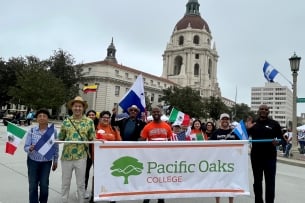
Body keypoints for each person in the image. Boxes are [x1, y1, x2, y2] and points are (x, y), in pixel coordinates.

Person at [58, 96, 95, 203]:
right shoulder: (66, 121)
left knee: (81, 183)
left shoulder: (89, 122)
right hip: (66, 156)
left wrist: (100, 141)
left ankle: (81, 201)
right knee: (65, 182)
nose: (77, 108)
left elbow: (92, 138)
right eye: (75, 106)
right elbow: (61, 137)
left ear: (83, 108)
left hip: (81, 156)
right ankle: (64, 201)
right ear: (72, 108)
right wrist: (51, 139)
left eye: (80, 106)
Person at [246, 104, 282, 203]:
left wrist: (278, 142)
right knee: (257, 182)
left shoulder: (274, 124)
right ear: (258, 111)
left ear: (268, 112)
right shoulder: (253, 123)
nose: (264, 110)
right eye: (261, 109)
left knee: (270, 183)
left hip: (270, 158)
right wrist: (247, 128)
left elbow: (281, 139)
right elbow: (243, 138)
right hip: (256, 158)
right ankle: (258, 201)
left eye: (266, 109)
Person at [24, 108, 59, 203]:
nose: (42, 118)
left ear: (48, 118)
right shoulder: (32, 130)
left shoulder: (53, 131)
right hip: (33, 161)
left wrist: (55, 161)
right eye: (40, 116)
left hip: (46, 162)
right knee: (32, 185)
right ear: (36, 119)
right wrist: (29, 148)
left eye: (44, 116)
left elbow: (56, 147)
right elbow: (26, 147)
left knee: (44, 185)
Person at [140, 107, 173, 203]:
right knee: (150, 179)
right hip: (151, 158)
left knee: (161, 180)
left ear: (161, 113)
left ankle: (161, 199)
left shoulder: (167, 126)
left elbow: (171, 141)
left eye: (157, 112)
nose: (156, 113)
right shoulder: (147, 127)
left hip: (163, 159)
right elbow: (141, 140)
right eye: (154, 112)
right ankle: (147, 199)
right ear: (152, 114)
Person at [210, 113, 238, 203]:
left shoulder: (234, 133)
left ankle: (231, 201)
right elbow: (209, 146)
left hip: (231, 162)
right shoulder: (215, 133)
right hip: (219, 163)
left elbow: (241, 144)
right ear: (220, 121)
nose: (225, 121)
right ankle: (217, 201)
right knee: (218, 183)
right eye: (223, 119)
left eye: (227, 119)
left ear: (229, 121)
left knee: (231, 184)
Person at [84, 110, 99, 199]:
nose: (91, 116)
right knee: (85, 172)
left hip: (97, 153)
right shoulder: (84, 124)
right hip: (87, 152)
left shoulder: (99, 125)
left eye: (93, 115)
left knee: (97, 172)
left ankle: (96, 190)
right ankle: (84, 189)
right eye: (89, 115)